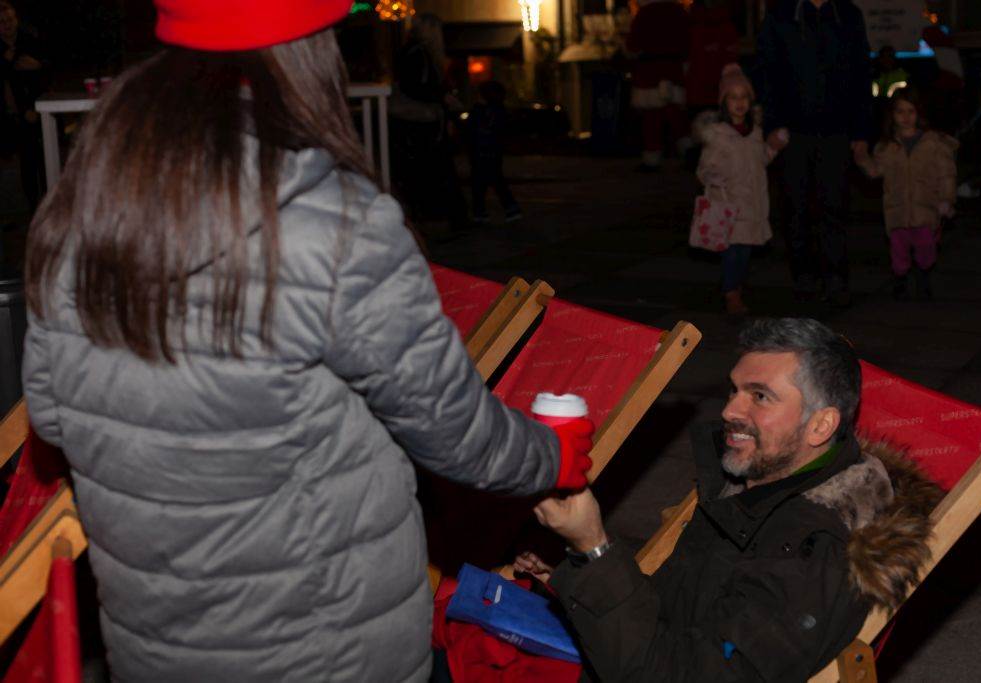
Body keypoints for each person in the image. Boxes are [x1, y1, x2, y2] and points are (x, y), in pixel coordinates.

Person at [20, 1, 595, 680]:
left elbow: (52, 412)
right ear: (306, 54)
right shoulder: (334, 221)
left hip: (158, 644)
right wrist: (553, 454)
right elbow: (457, 433)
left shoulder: (90, 200)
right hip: (325, 648)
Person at [518, 318, 940, 681]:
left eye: (760, 396)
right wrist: (585, 566)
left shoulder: (814, 550)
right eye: (734, 391)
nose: (730, 411)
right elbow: (679, 609)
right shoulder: (759, 485)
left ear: (821, 425)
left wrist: (594, 546)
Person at [756, 0, 873, 308]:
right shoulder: (780, 16)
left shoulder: (848, 16)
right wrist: (772, 124)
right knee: (795, 207)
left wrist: (861, 132)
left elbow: (862, 74)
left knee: (833, 205)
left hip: (836, 132)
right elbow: (767, 73)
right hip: (793, 133)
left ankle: (835, 277)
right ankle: (803, 277)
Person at [695, 64, 788, 315]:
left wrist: (774, 147)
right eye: (733, 97)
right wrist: (713, 176)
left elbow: (760, 161)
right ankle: (731, 292)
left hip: (752, 203)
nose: (740, 103)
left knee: (744, 252)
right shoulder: (717, 135)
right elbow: (704, 169)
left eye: (744, 96)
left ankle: (735, 287)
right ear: (724, 102)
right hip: (729, 204)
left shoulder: (755, 133)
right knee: (732, 253)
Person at [855, 88, 957, 300]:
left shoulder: (933, 143)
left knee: (925, 247)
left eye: (911, 111)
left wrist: (946, 200)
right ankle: (900, 277)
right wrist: (862, 158)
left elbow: (947, 174)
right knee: (899, 250)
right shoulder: (887, 147)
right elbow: (875, 171)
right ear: (892, 115)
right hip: (897, 209)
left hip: (925, 208)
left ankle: (923, 274)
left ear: (919, 113)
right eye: (900, 111)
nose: (906, 117)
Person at [391, 12, 469, 233]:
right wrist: (441, 97)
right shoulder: (420, 54)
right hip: (419, 123)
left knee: (428, 172)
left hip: (414, 122)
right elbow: (415, 87)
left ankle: (443, 218)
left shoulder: (413, 52)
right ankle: (446, 219)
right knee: (434, 171)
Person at [626, 0, 691, 171]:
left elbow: (633, 44)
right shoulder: (679, 13)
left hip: (650, 73)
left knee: (652, 117)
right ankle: (688, 150)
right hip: (673, 70)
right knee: (676, 115)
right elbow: (688, 41)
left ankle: (652, 157)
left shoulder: (644, 14)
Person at [0, 0, 47, 215]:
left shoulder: (31, 38)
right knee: (26, 160)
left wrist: (38, 66)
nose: (6, 25)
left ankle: (46, 203)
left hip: (36, 107)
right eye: (1, 22)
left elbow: (45, 75)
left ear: (16, 19)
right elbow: (9, 83)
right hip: (13, 112)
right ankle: (31, 207)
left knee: (42, 156)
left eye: (10, 19)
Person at [468, 80, 521, 225]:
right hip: (487, 151)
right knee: (491, 181)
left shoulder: (489, 111)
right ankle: (507, 208)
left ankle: (484, 211)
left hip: (485, 151)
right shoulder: (493, 110)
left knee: (485, 182)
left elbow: (478, 130)